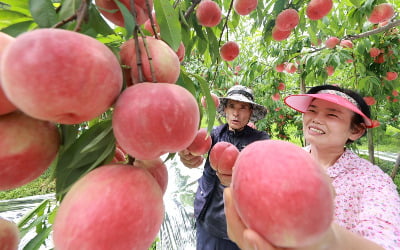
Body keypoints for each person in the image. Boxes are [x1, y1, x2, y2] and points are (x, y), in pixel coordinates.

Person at [223, 84, 400, 250]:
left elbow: (387, 241)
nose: (316, 119)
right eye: (312, 110)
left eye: (332, 115)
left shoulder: (372, 181)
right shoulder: (286, 160)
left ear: (355, 130)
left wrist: (326, 239)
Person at [178, 85, 270, 250]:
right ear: (225, 109)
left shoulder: (260, 140)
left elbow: (265, 174)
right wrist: (187, 154)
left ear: (250, 113)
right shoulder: (213, 134)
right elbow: (194, 149)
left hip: (237, 224)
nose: (236, 113)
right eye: (232, 106)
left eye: (243, 108)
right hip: (206, 218)